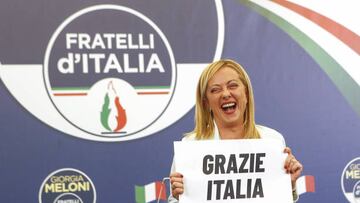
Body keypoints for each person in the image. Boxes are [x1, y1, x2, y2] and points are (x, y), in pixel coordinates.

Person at [169, 59, 303, 202]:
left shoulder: (271, 140)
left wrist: (289, 187)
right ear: (206, 102)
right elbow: (175, 199)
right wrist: (179, 198)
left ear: (246, 93)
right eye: (215, 89)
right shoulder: (191, 146)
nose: (226, 94)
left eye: (232, 86)